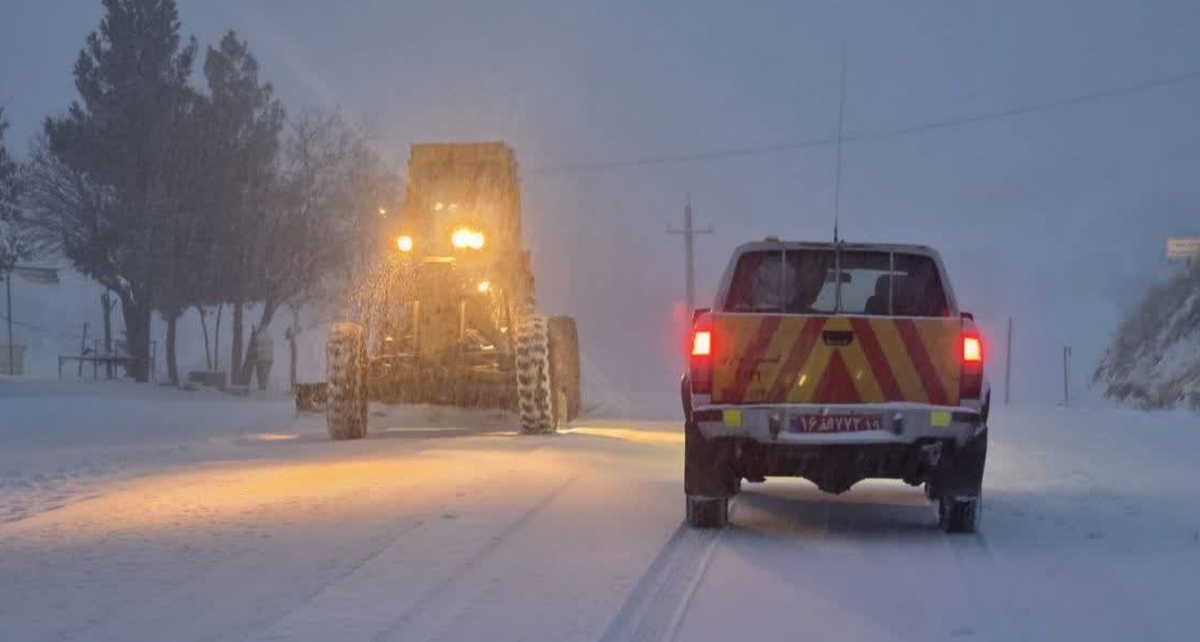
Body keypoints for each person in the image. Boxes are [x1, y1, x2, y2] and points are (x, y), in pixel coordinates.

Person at [252, 326, 274, 391]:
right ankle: (263, 390)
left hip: (262, 359)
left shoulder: (259, 335)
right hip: (269, 359)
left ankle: (261, 390)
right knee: (265, 377)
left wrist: (255, 355)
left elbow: (259, 349)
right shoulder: (268, 334)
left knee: (260, 377)